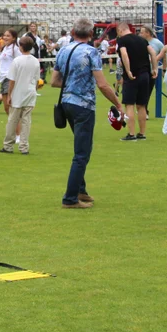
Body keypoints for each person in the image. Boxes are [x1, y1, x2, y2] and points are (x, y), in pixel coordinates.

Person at [51, 18, 125, 209]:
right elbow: (102, 84)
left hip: (66, 102)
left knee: (80, 148)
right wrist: (118, 103)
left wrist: (72, 85)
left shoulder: (64, 50)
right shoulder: (91, 52)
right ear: (91, 34)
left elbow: (54, 81)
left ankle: (80, 189)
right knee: (82, 153)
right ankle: (70, 198)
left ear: (72, 31)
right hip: (83, 105)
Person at [116, 22, 157, 141]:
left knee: (129, 104)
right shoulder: (142, 40)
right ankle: (142, 133)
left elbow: (124, 54)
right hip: (145, 75)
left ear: (120, 31)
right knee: (141, 105)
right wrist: (154, 68)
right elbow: (153, 53)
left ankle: (131, 133)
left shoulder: (122, 40)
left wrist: (128, 70)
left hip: (132, 75)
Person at [0, 35, 40, 155]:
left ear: (21, 47)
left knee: (12, 120)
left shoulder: (17, 61)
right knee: (26, 121)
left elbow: (12, 80)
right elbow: (37, 80)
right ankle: (24, 147)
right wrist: (35, 92)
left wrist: (10, 94)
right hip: (30, 93)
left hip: (18, 93)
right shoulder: (35, 61)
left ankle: (8, 145)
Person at [0, 29, 20, 115]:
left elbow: (21, 62)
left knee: (8, 106)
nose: (5, 37)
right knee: (7, 107)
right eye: (4, 35)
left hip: (9, 78)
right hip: (3, 78)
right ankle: (15, 126)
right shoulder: (5, 48)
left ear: (13, 38)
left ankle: (16, 126)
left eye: (8, 36)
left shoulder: (15, 49)